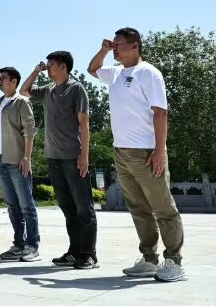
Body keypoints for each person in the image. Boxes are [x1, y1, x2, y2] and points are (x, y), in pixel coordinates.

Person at [88, 28, 186, 283]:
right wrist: (103, 50)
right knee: (139, 209)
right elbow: (92, 69)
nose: (115, 48)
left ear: (135, 46)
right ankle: (149, 259)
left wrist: (159, 151)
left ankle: (174, 262)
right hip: (121, 151)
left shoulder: (148, 73)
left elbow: (160, 113)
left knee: (163, 208)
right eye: (113, 44)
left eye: (118, 44)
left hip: (146, 152)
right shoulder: (116, 73)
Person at [20, 51, 97, 269]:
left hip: (73, 157)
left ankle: (89, 254)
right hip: (53, 158)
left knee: (84, 208)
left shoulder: (76, 89)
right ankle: (74, 252)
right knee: (67, 207)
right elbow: (24, 91)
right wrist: (37, 70)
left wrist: (84, 155)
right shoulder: (48, 90)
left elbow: (84, 124)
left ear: (64, 67)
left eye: (52, 65)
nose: (49, 69)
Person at [0, 68, 40, 262]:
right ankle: (19, 245)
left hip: (17, 159)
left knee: (26, 205)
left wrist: (27, 157)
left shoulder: (21, 102)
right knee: (12, 205)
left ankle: (32, 246)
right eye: (1, 78)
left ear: (14, 81)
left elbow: (29, 131)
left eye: (4, 78)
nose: (1, 81)